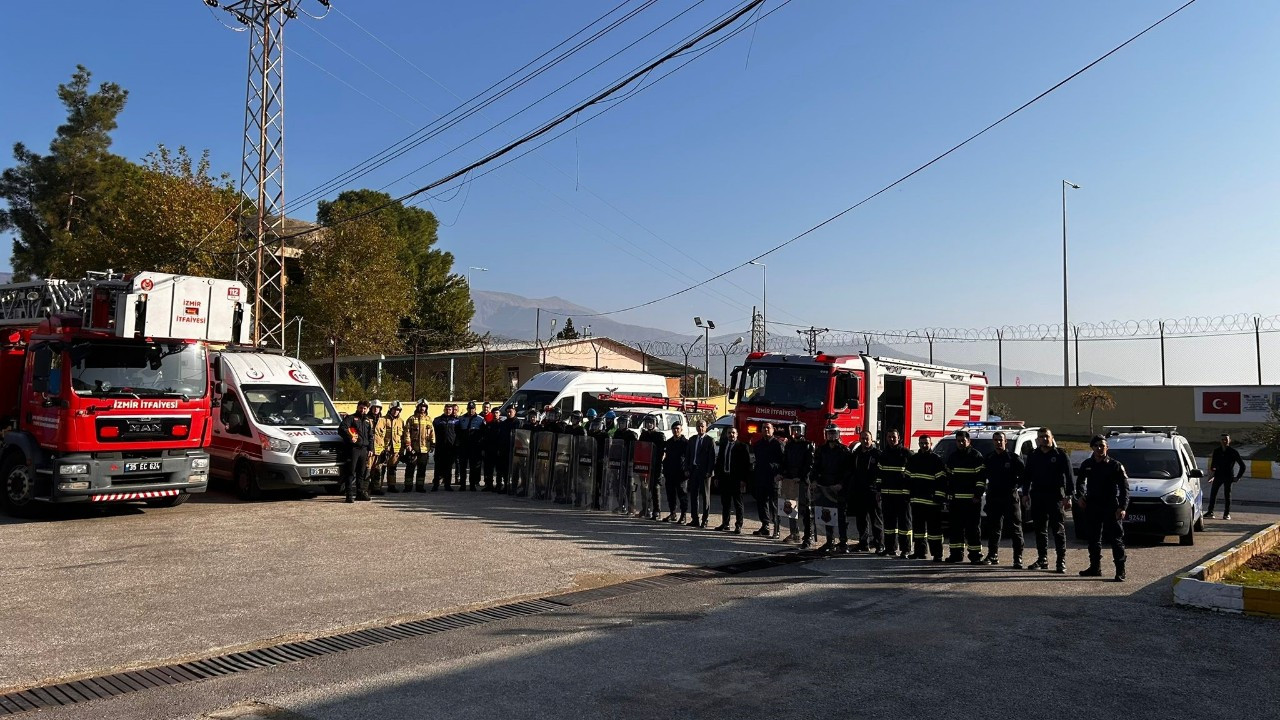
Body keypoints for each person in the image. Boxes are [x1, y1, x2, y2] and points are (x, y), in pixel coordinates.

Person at [1075, 435, 1130, 581]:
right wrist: (1080, 497)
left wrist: (1122, 507)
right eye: (1097, 445)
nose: (1100, 448)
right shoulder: (1087, 464)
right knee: (1093, 539)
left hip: (1110, 506)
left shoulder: (1115, 465)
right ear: (1092, 447)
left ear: (1107, 447)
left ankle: (1120, 570)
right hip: (1092, 506)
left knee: (1116, 539)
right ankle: (1095, 567)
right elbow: (1080, 482)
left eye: (1102, 445)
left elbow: (1124, 488)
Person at [1021, 427, 1074, 573]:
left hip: (1055, 497)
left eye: (1047, 436)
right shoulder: (1033, 455)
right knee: (1040, 530)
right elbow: (1027, 476)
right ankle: (1042, 559)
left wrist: (1068, 496)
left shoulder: (1060, 454)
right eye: (1041, 437)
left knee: (1058, 530)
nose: (1044, 439)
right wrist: (1025, 494)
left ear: (1052, 437)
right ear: (1038, 439)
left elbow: (1069, 477)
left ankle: (1060, 561)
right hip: (1038, 496)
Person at [981, 431, 1025, 567]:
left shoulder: (1013, 458)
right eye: (996, 440)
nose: (998, 442)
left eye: (1001, 440)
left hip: (1010, 498)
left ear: (1005, 442)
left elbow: (1024, 476)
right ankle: (992, 555)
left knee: (1015, 528)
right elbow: (983, 476)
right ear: (993, 442)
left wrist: (1015, 486)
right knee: (994, 528)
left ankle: (1018, 558)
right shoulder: (989, 458)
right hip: (994, 497)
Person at [944, 429, 987, 564]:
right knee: (955, 529)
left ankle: (975, 555)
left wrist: (977, 495)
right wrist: (949, 494)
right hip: (956, 500)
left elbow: (981, 479)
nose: (961, 443)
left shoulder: (976, 456)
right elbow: (948, 478)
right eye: (958, 441)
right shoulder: (953, 457)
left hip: (971, 501)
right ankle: (956, 554)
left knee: (972, 529)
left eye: (963, 440)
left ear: (969, 441)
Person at [906, 435, 946, 561]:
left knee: (934, 532)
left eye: (926, 443)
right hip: (917, 501)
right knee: (918, 531)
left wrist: (939, 497)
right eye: (922, 443)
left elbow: (941, 481)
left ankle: (937, 554)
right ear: (918, 443)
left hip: (932, 502)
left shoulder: (936, 460)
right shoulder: (914, 459)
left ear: (930, 443)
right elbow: (907, 478)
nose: (924, 445)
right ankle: (919, 552)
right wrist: (909, 496)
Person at [811, 424, 851, 552]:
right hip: (825, 488)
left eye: (834, 433)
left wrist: (841, 484)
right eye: (829, 433)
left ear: (838, 435)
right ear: (826, 435)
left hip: (838, 488)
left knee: (841, 517)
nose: (831, 436)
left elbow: (848, 471)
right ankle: (829, 541)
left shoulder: (844, 451)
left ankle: (843, 542)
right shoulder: (821, 450)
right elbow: (815, 467)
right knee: (827, 514)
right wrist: (814, 481)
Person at [876, 430, 914, 558]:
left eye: (894, 437)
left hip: (903, 496)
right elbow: (879, 474)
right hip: (887, 495)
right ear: (886, 438)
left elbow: (912, 475)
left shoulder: (906, 453)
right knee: (889, 525)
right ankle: (890, 548)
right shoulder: (884, 454)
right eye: (889, 437)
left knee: (905, 525)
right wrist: (878, 490)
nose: (892, 439)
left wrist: (909, 491)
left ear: (899, 438)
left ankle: (906, 550)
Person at [780, 422, 816, 546]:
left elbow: (810, 465)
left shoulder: (808, 445)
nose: (795, 432)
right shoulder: (789, 445)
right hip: (790, 481)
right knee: (791, 507)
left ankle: (808, 535)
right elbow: (784, 461)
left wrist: (800, 477)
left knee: (806, 509)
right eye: (793, 430)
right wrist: (783, 474)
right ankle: (794, 533)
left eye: (798, 430)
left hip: (802, 482)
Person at [848, 431, 883, 552]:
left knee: (876, 520)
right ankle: (863, 544)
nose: (865, 441)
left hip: (873, 492)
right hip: (859, 491)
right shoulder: (857, 454)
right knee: (861, 519)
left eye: (867, 438)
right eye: (863, 438)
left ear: (872, 439)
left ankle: (879, 544)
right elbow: (852, 472)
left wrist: (878, 490)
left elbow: (881, 473)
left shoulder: (877, 454)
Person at [714, 426, 751, 533]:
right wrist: (717, 476)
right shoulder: (723, 445)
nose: (731, 435)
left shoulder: (742, 447)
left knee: (738, 503)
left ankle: (738, 525)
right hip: (724, 478)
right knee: (725, 503)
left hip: (736, 479)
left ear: (737, 434)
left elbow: (746, 465)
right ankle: (725, 523)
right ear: (726, 434)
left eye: (733, 433)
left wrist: (744, 480)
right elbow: (719, 462)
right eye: (729, 433)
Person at [751, 422, 785, 538]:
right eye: (764, 428)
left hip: (774, 478)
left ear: (773, 430)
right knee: (761, 503)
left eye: (768, 428)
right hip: (761, 478)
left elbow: (784, 462)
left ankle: (776, 528)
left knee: (774, 505)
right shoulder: (758, 445)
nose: (766, 430)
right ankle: (765, 526)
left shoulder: (778, 444)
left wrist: (780, 474)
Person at [1206, 433, 1246, 519]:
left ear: (1229, 441)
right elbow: (1213, 465)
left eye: (1226, 440)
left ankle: (1226, 514)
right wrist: (1211, 475)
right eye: (1222, 439)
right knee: (1213, 494)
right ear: (1220, 441)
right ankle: (1210, 512)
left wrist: (1238, 477)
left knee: (1227, 495)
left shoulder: (1233, 452)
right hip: (1218, 476)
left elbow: (1242, 466)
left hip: (1228, 477)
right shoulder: (1217, 451)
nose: (1224, 441)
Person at [340, 400, 374, 502]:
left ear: (367, 409)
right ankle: (349, 495)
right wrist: (350, 438)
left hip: (364, 450)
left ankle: (360, 493)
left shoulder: (368, 420)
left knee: (361, 473)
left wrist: (370, 448)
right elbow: (342, 429)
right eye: (361, 408)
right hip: (353, 449)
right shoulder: (350, 418)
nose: (362, 410)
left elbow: (370, 436)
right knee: (350, 472)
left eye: (364, 408)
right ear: (357, 407)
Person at [686, 419, 716, 528]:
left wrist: (709, 471)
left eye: (702, 426)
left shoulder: (710, 440)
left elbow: (712, 458)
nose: (700, 428)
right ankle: (695, 519)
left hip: (705, 473)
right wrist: (687, 468)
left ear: (706, 427)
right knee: (693, 495)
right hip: (694, 470)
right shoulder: (692, 439)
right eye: (698, 426)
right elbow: (688, 455)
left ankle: (705, 519)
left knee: (705, 496)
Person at [638, 415, 666, 520]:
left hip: (656, 466)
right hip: (644, 465)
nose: (649, 424)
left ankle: (656, 510)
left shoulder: (660, 435)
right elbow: (639, 448)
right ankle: (645, 508)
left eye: (651, 422)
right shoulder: (643, 435)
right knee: (644, 487)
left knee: (655, 488)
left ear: (655, 423)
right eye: (647, 422)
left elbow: (662, 452)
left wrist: (659, 465)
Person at [402, 400, 433, 493]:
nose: (422, 408)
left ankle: (420, 486)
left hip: (424, 449)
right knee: (410, 468)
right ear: (417, 407)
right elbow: (406, 433)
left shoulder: (428, 419)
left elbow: (432, 433)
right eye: (420, 406)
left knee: (422, 469)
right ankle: (408, 486)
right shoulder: (411, 419)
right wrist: (408, 445)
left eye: (424, 407)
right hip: (413, 448)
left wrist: (433, 444)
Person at [662, 421, 690, 523]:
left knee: (682, 494)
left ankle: (683, 515)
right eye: (674, 429)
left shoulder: (685, 443)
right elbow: (665, 457)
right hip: (670, 472)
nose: (676, 430)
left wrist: (687, 470)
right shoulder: (669, 442)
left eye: (678, 428)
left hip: (681, 473)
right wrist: (664, 469)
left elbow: (688, 458)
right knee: (670, 494)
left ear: (681, 430)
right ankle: (672, 513)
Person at [456, 401, 486, 491]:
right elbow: (458, 433)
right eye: (469, 409)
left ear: (475, 409)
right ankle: (462, 485)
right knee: (462, 466)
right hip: (464, 447)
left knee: (473, 467)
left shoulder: (480, 419)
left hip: (475, 447)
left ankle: (472, 485)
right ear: (467, 409)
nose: (471, 410)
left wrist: (481, 446)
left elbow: (483, 434)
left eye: (472, 409)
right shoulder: (461, 419)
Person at [490, 405, 520, 493]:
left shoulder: (518, 423)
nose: (509, 413)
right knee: (503, 469)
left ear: (515, 412)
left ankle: (514, 487)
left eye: (511, 411)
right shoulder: (504, 423)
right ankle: (505, 486)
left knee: (514, 469)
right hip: (504, 449)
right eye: (508, 411)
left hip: (515, 449)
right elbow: (500, 437)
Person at [381, 401, 407, 492]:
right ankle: (378, 487)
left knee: (392, 468)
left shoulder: (401, 421)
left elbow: (403, 436)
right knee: (381, 468)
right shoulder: (383, 419)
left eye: (398, 410)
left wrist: (402, 449)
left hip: (396, 449)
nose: (396, 411)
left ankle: (391, 486)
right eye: (394, 410)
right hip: (384, 449)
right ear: (390, 409)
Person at [432, 404, 458, 491]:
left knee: (449, 467)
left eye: (450, 409)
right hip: (440, 447)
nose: (448, 411)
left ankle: (447, 485)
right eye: (446, 409)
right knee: (438, 467)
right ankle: (435, 485)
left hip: (450, 447)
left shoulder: (456, 421)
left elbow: (458, 433)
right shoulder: (437, 420)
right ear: (444, 410)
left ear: (452, 410)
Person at [367, 400, 388, 495]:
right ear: (371, 408)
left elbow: (386, 436)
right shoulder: (366, 419)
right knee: (367, 469)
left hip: (380, 449)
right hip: (369, 449)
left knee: (378, 470)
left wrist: (386, 448)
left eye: (378, 408)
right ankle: (365, 489)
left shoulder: (383, 420)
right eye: (374, 407)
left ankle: (376, 489)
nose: (376, 409)